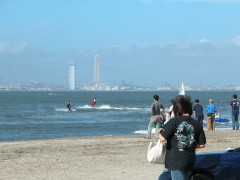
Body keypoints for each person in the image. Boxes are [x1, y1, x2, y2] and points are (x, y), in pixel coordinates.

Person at [159, 95, 206, 180]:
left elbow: (162, 138)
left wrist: (160, 132)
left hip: (175, 160)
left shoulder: (173, 121)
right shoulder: (197, 123)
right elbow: (202, 145)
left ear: (177, 109)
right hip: (189, 160)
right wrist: (189, 144)